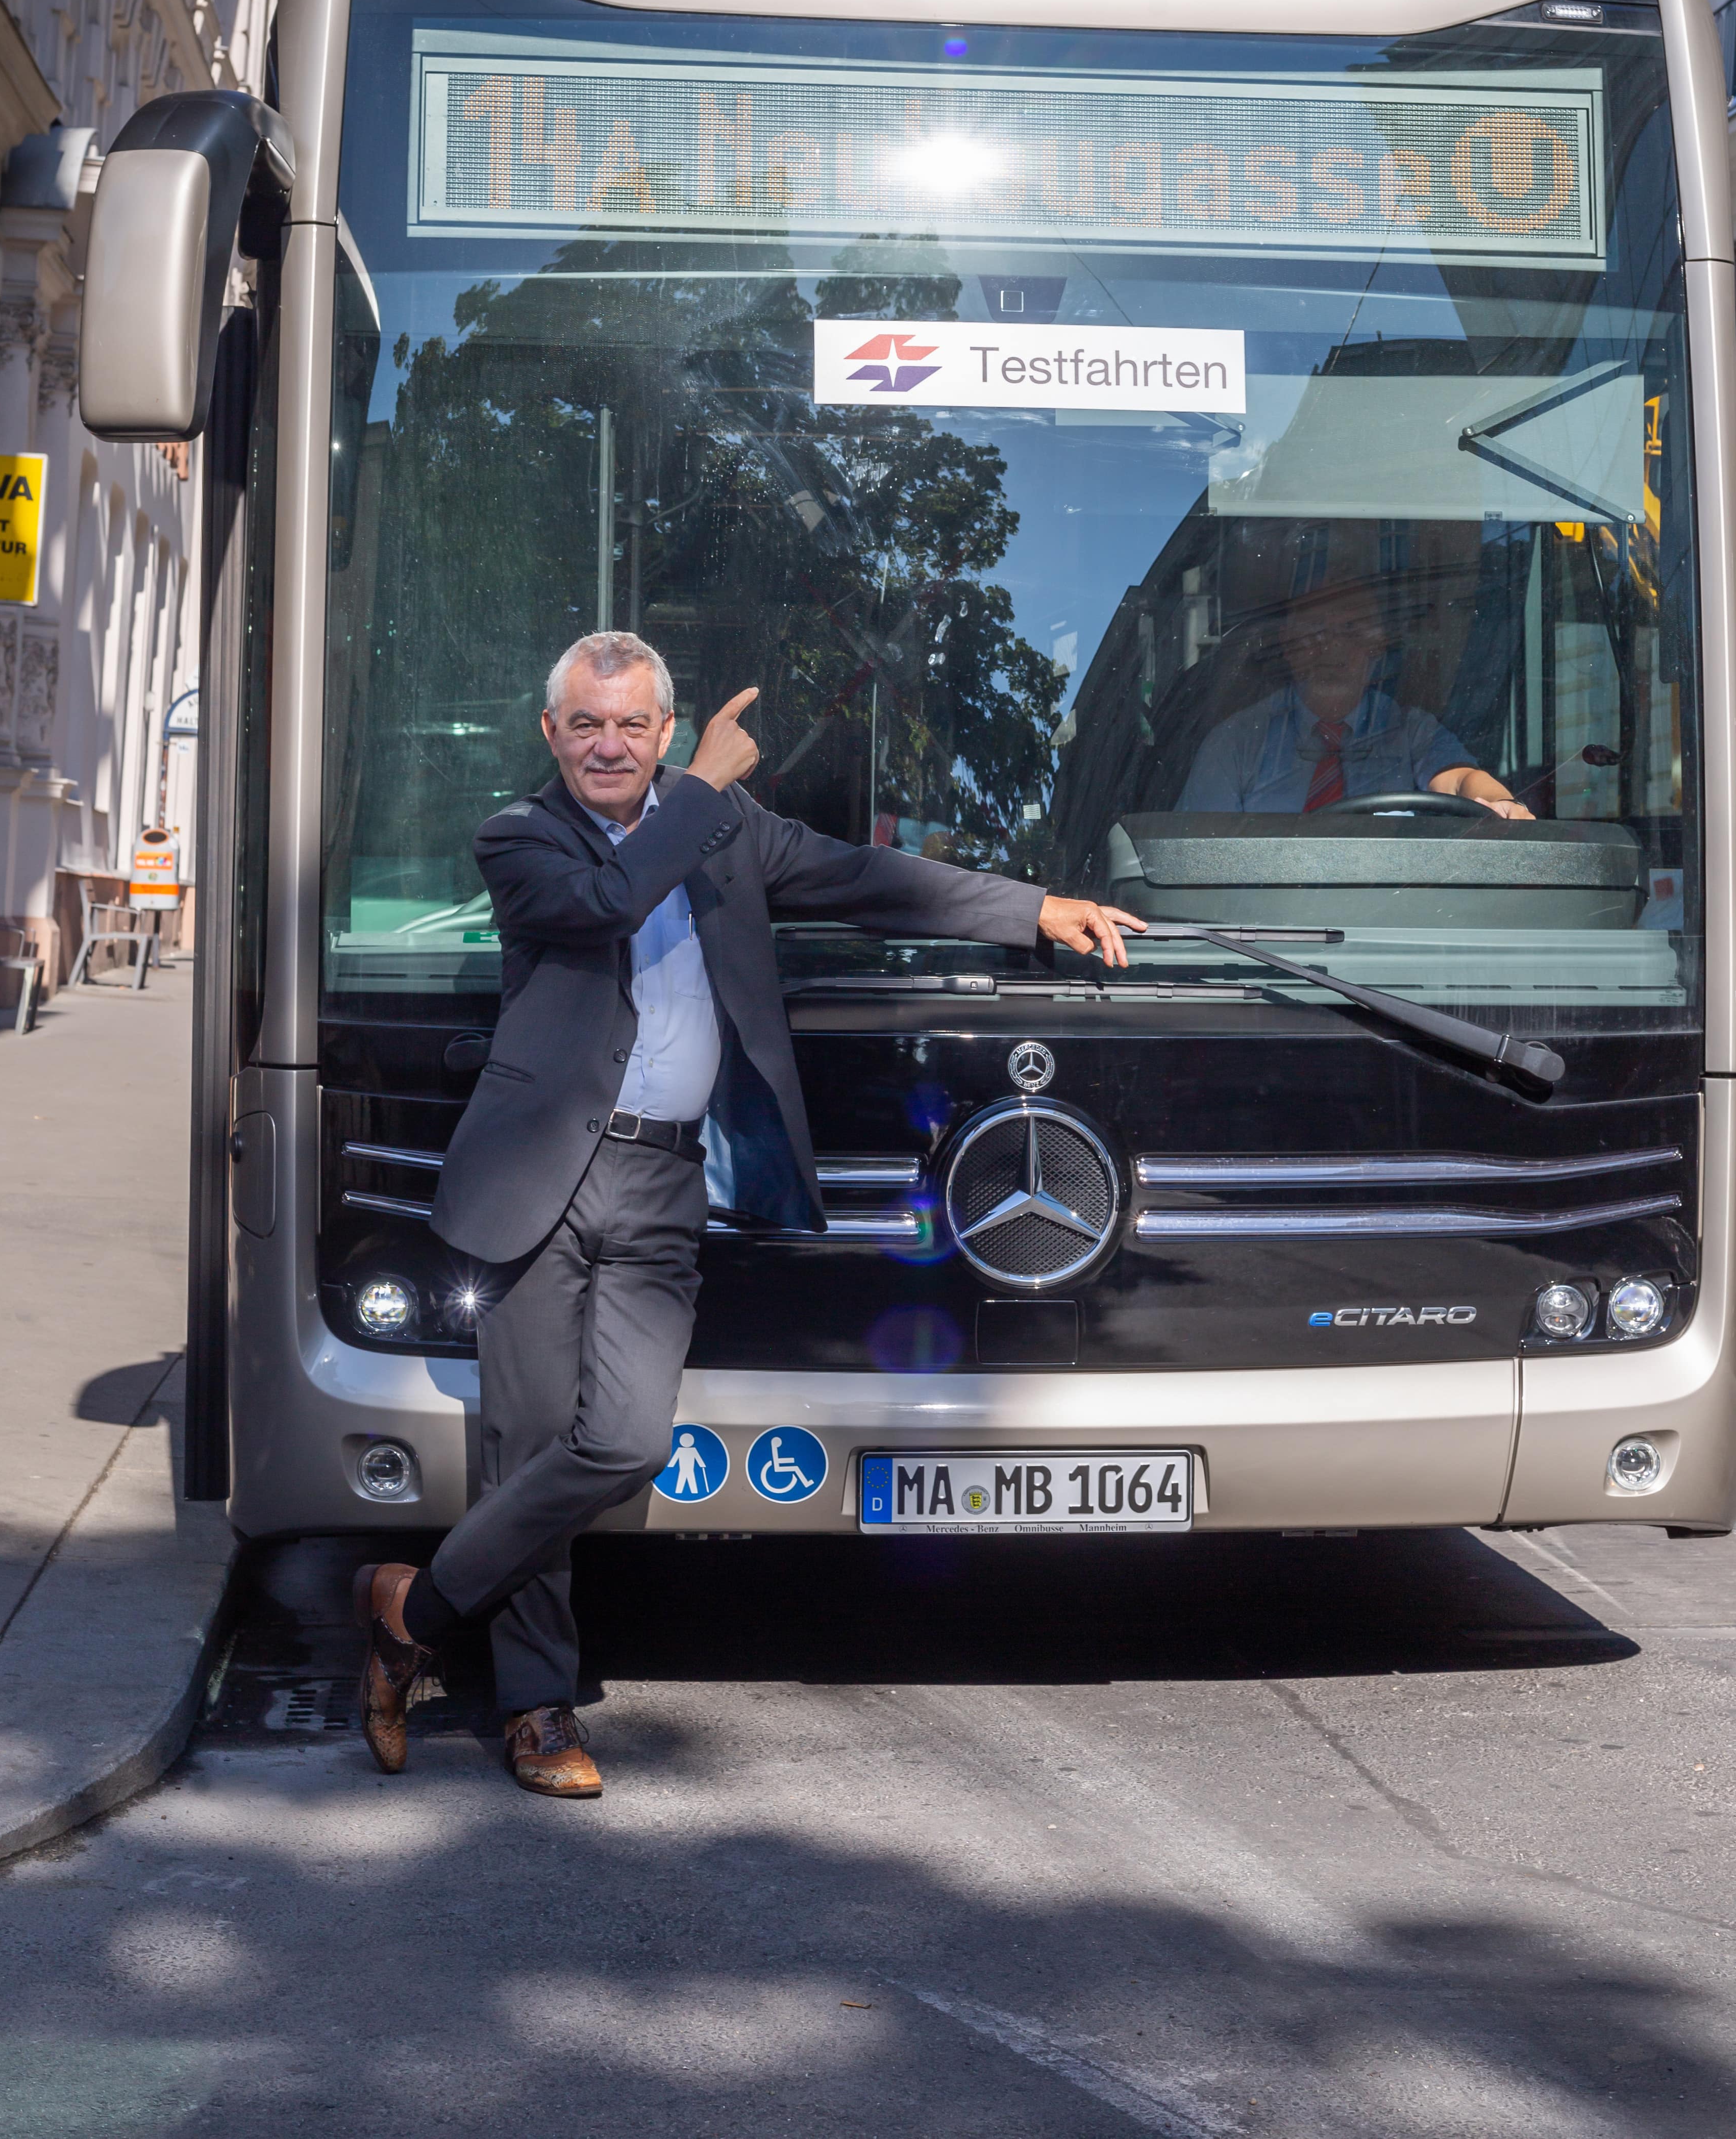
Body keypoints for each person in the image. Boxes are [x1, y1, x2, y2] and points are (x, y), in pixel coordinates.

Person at [353, 629, 1143, 1798]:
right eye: (586, 723)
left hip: (665, 1180)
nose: (609, 745)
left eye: (632, 725)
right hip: (539, 1178)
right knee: (523, 1449)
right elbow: (610, 902)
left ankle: (407, 1605)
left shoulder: (726, 825)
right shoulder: (520, 837)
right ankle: (535, 1709)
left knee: (620, 1442)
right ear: (551, 735)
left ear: (662, 731)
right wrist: (711, 785)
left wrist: (1033, 908)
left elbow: (878, 880)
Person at [1178, 579, 1531, 818]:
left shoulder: (1410, 730)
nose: (1331, 646)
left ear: (1377, 644)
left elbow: (1458, 779)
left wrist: (1501, 804)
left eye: (1350, 629)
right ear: (1287, 644)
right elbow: (1198, 848)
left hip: (1387, 917)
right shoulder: (1238, 740)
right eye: (1315, 631)